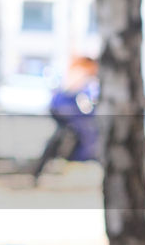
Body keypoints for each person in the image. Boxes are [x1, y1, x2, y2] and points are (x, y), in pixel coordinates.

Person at [31, 56, 99, 185]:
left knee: (63, 136)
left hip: (63, 108)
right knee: (81, 133)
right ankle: (72, 157)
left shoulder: (79, 72)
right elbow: (77, 95)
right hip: (65, 108)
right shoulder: (83, 73)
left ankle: (44, 167)